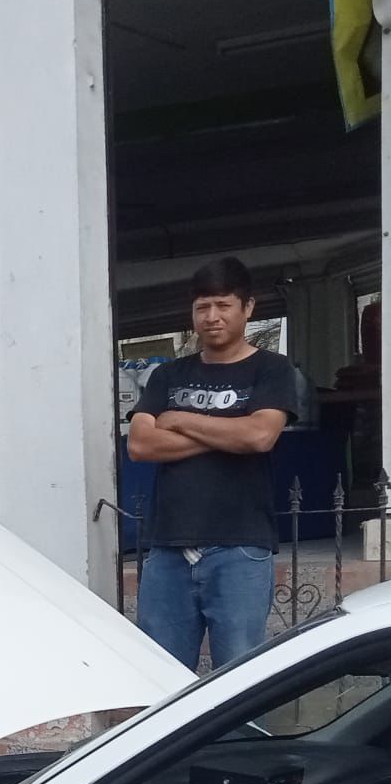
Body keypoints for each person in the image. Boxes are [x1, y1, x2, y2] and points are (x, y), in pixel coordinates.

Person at [128, 257, 298, 671]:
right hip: (168, 547)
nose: (212, 317)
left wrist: (182, 419)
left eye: (223, 305)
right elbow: (140, 444)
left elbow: (259, 437)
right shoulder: (168, 375)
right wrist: (228, 434)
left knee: (239, 678)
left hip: (240, 547)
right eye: (202, 307)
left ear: (248, 307)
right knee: (160, 676)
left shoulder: (272, 369)